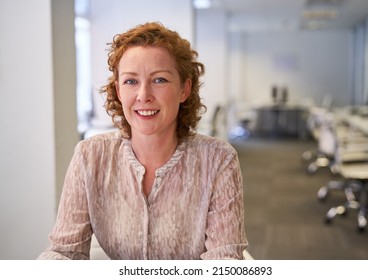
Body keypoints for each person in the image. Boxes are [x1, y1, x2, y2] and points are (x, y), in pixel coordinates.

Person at [38, 22, 248, 260]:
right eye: (131, 81)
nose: (143, 95)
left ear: (184, 89)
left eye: (159, 80)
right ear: (118, 90)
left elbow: (225, 259)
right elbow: (64, 251)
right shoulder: (90, 155)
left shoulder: (218, 158)